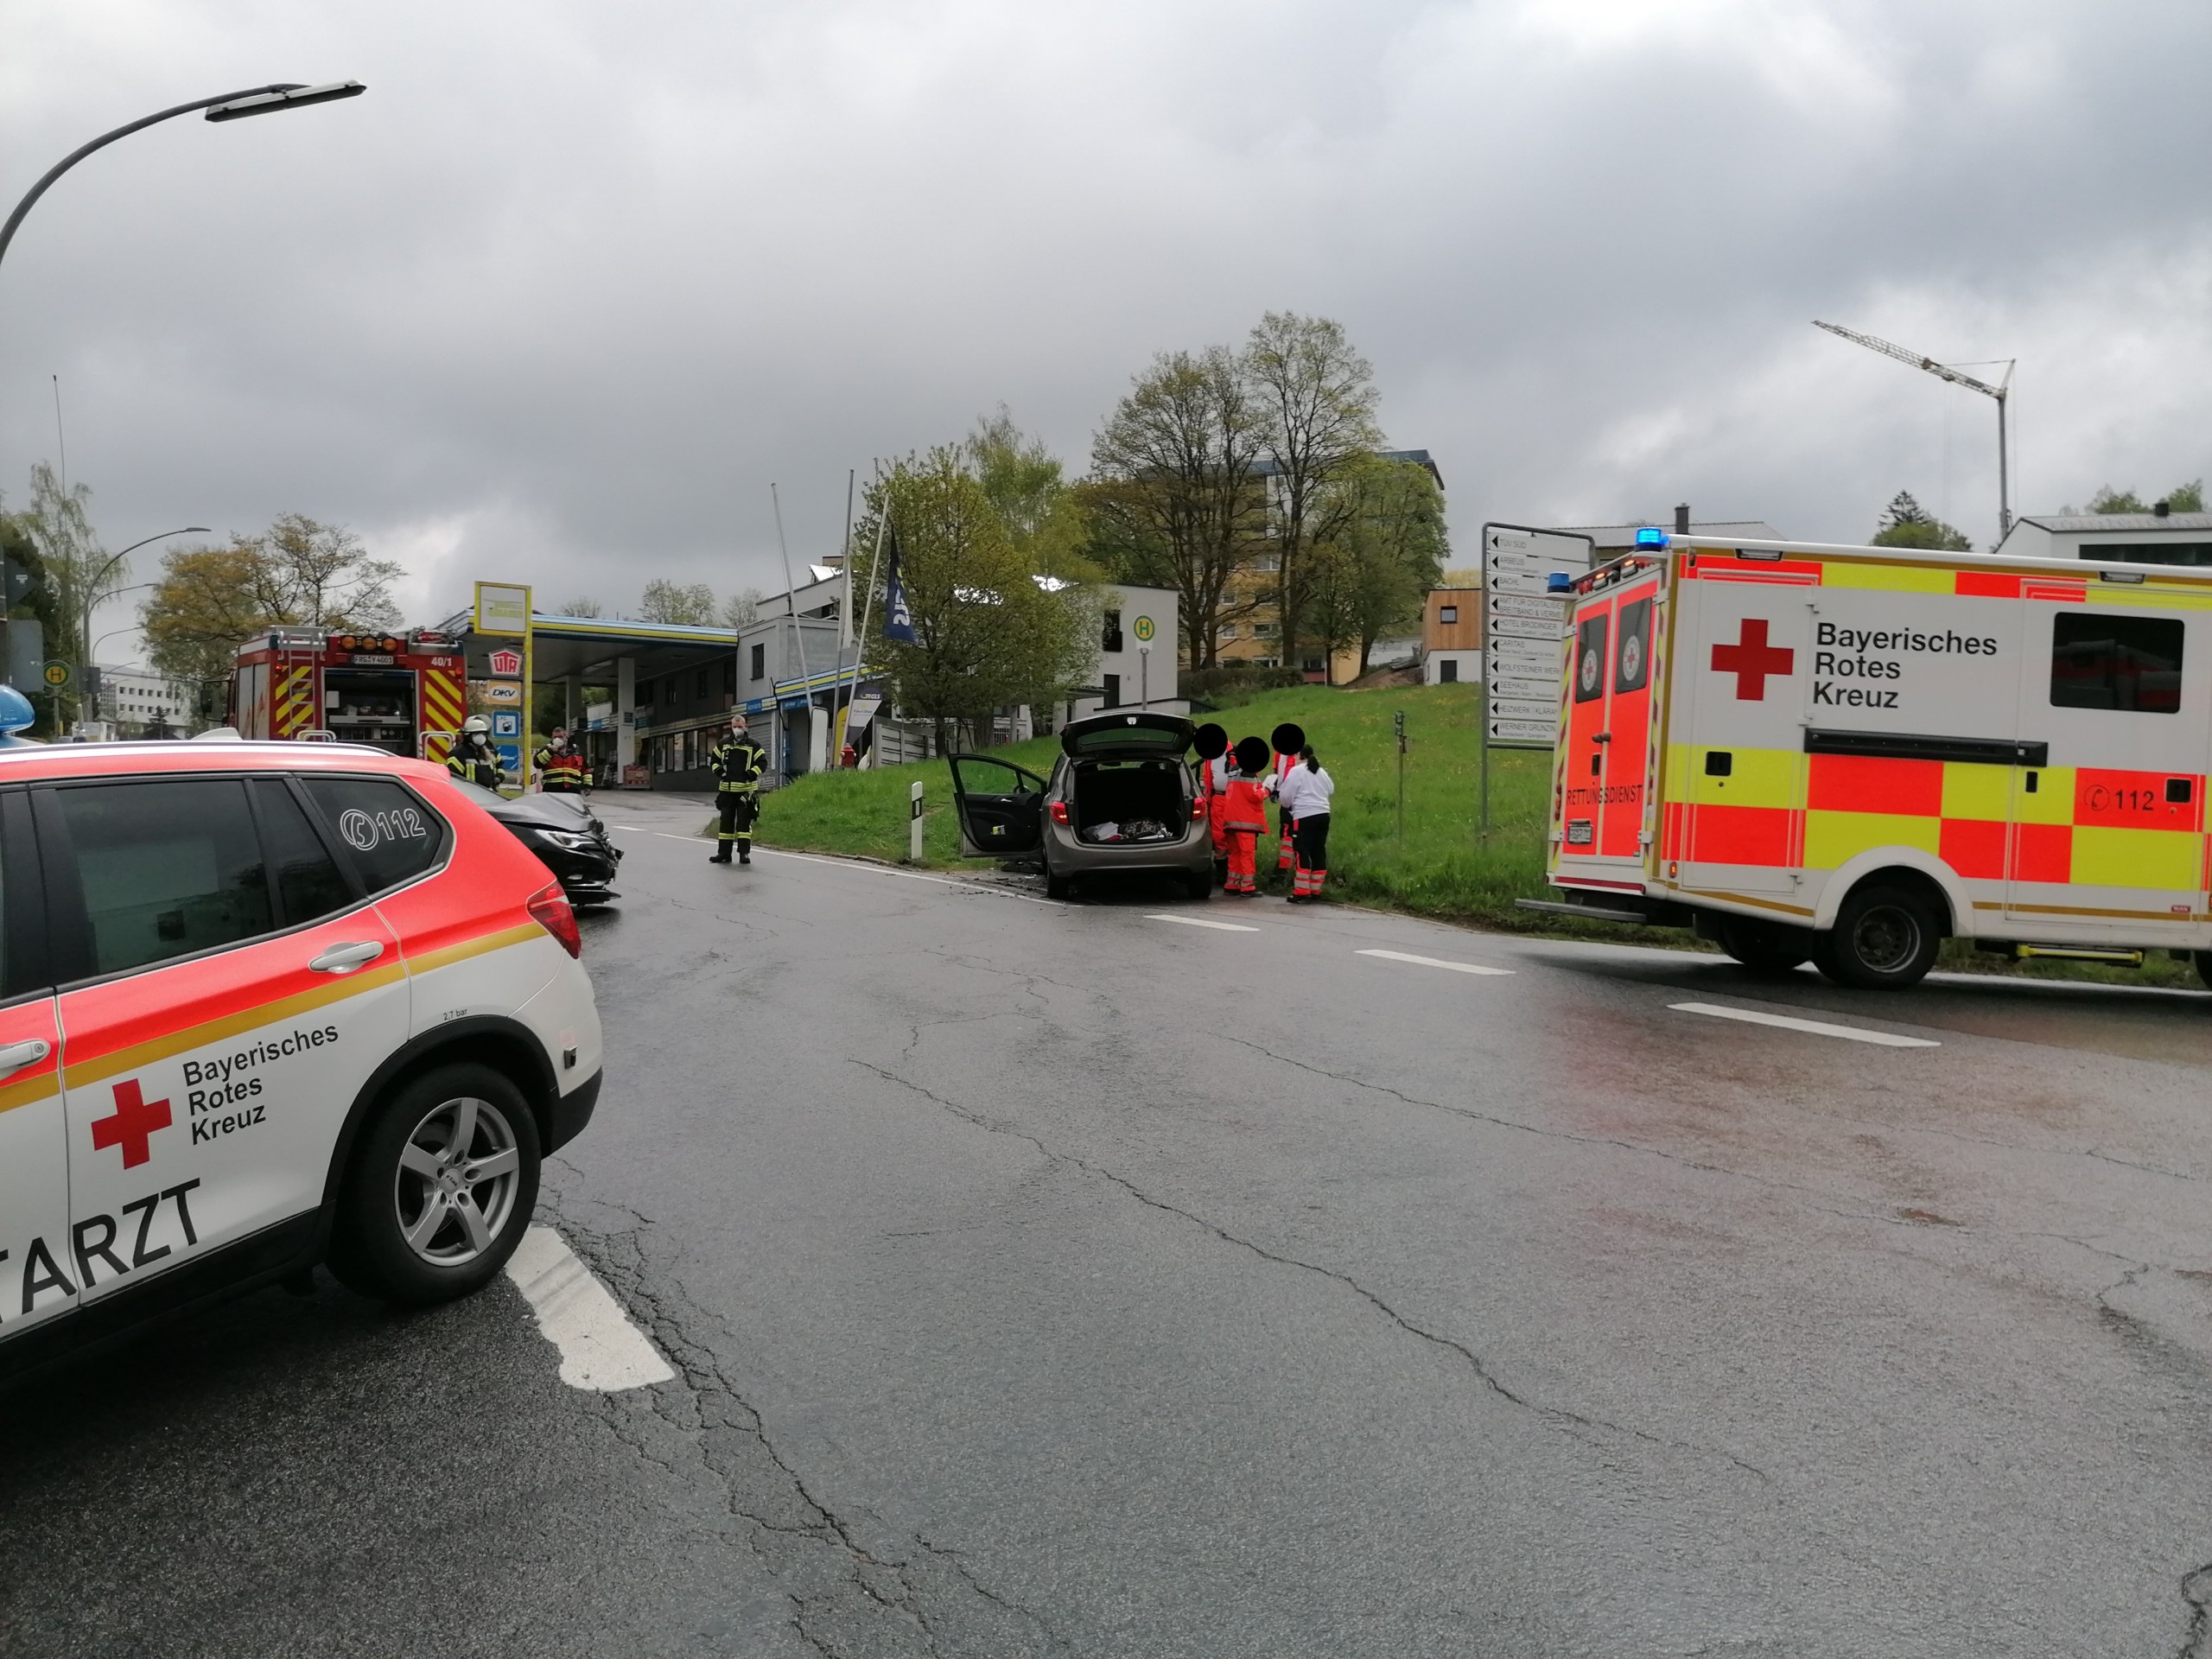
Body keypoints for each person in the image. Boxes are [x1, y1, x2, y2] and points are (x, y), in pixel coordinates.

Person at [1274, 743, 1335, 901]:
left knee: (1302, 850)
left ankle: (1301, 891)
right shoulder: (1321, 771)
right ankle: (1316, 890)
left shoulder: (1296, 771)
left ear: (1299, 755)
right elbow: (1330, 789)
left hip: (1304, 815)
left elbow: (1285, 797)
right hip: (1323, 814)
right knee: (1318, 850)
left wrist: (1288, 804)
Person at [709, 714, 768, 865]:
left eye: (740, 727)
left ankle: (744, 854)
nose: (737, 729)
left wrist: (750, 774)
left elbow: (762, 763)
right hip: (727, 792)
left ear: (745, 726)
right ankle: (724, 853)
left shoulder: (753, 745)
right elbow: (714, 761)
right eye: (735, 727)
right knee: (725, 824)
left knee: (743, 824)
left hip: (746, 792)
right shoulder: (723, 744)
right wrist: (720, 772)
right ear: (731, 727)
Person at [1221, 736, 1272, 896]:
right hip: (1245, 821)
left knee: (1235, 853)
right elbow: (1254, 796)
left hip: (1231, 820)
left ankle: (1232, 884)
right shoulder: (1247, 771)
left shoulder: (1233, 770)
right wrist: (1267, 790)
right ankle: (1247, 886)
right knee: (1247, 854)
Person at [1192, 724, 1234, 887]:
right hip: (1217, 799)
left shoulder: (1233, 753)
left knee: (1232, 834)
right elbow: (1207, 779)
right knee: (1218, 836)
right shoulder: (1210, 757)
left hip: (1232, 799)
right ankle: (1222, 870)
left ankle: (1232, 871)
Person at [1268, 721, 1305, 884]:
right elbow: (1277, 771)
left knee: (1292, 835)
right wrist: (1274, 790)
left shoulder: (1300, 755)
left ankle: (1286, 871)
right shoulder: (1279, 753)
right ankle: (1286, 869)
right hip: (1286, 799)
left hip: (1298, 801)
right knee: (1286, 835)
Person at [445, 715, 503, 790]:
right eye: (477, 734)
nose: (481, 736)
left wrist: (499, 777)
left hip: (488, 792)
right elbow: (454, 777)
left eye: (483, 733)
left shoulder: (490, 751)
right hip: (468, 793)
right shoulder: (458, 753)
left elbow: (499, 764)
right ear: (468, 736)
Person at [535, 728, 588, 793]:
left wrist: (588, 786)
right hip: (551, 790)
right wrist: (550, 752)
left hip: (572, 790)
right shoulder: (547, 749)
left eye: (560, 737)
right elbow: (537, 763)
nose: (557, 739)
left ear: (566, 737)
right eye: (555, 737)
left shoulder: (576, 751)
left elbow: (585, 769)